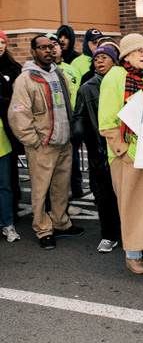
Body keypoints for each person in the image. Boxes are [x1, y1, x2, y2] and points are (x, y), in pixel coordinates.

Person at [98, 33, 143, 274]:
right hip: (128, 153)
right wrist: (123, 150)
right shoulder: (115, 77)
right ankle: (133, 253)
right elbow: (107, 120)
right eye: (139, 50)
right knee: (132, 205)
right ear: (126, 54)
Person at [8, 35, 84, 249]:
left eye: (51, 47)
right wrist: (33, 141)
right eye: (43, 48)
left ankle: (60, 222)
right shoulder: (25, 79)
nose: (49, 51)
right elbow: (18, 113)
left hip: (63, 143)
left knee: (61, 187)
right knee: (40, 191)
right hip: (42, 145)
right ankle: (43, 229)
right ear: (33, 51)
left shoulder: (58, 74)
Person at [73, 46, 120, 253]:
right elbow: (80, 115)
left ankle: (134, 234)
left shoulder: (125, 81)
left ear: (115, 61)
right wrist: (79, 132)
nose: (99, 62)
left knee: (127, 195)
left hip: (123, 148)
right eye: (96, 59)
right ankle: (109, 235)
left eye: (105, 58)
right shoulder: (87, 87)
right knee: (105, 196)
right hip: (99, 151)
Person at [46, 33, 83, 201]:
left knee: (73, 159)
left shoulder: (71, 69)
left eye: (55, 44)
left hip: (73, 121)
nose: (53, 48)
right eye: (48, 45)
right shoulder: (43, 72)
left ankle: (76, 189)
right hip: (53, 125)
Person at [0, 29, 21, 242]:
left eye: (2, 42)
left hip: (6, 133)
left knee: (7, 182)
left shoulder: (14, 69)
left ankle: (9, 220)